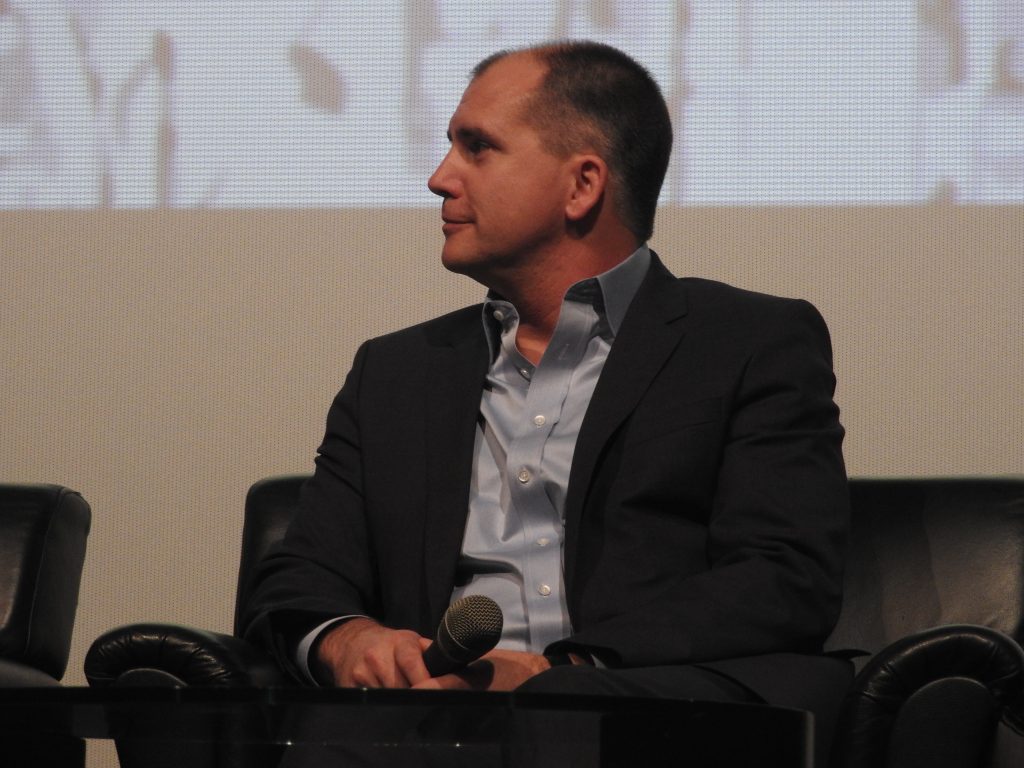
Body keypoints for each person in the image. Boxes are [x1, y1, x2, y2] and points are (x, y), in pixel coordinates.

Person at [242, 40, 851, 763]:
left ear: (581, 185)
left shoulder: (751, 341)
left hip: (639, 712)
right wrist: (351, 643)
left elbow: (782, 577)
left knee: (564, 721)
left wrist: (557, 674)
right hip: (432, 731)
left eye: (478, 148)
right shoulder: (396, 371)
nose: (440, 179)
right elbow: (300, 575)